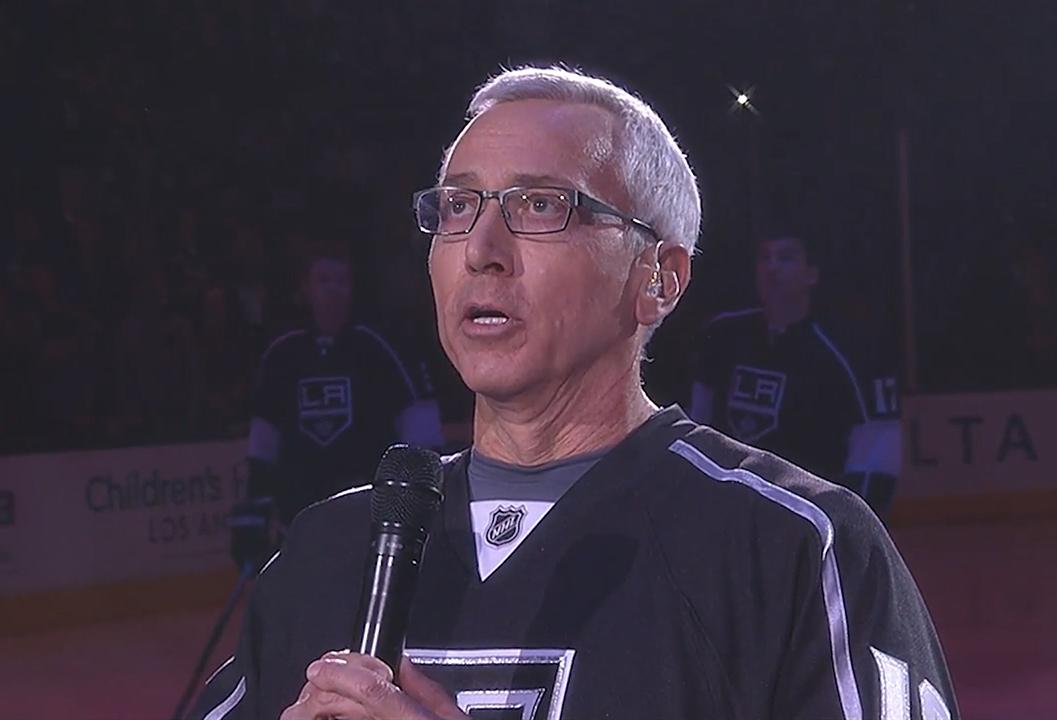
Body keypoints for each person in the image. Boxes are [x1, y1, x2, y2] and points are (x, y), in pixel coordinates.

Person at [192, 67, 956, 720]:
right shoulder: (328, 553)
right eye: (458, 206)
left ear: (659, 279)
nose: (481, 251)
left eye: (540, 206)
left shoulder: (797, 549)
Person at [245, 244, 444, 530]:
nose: (333, 290)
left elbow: (422, 428)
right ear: (306, 288)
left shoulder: (380, 348)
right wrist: (257, 504)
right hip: (299, 517)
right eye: (324, 281)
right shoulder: (282, 355)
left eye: (341, 281)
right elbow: (263, 440)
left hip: (367, 516)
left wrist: (420, 497)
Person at [689, 233, 867, 484]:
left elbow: (860, 445)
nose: (772, 268)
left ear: (811, 275)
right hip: (726, 495)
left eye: (785, 258)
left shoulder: (832, 357)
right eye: (765, 257)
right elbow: (698, 418)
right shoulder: (723, 335)